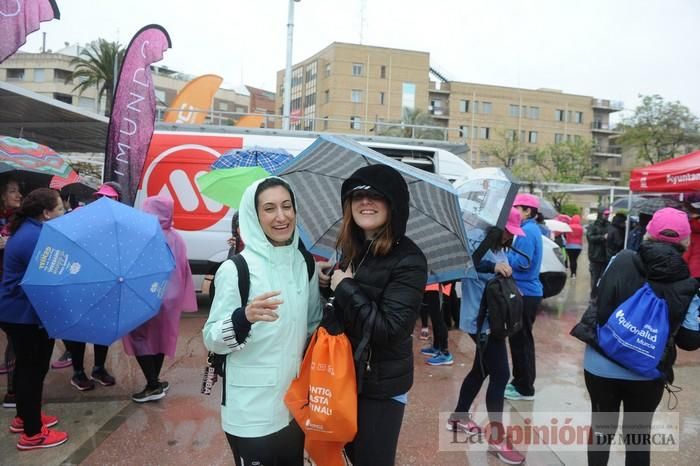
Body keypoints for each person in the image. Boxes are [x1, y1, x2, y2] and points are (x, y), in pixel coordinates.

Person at [203, 177, 321, 466]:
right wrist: (243, 318)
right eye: (269, 208)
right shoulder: (236, 269)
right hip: (250, 411)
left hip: (294, 406)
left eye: (287, 206)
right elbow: (211, 337)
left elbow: (313, 325)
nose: (281, 216)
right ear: (254, 217)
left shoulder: (305, 264)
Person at [571, 207, 700, 466]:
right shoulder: (689, 284)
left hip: (600, 363)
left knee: (601, 429)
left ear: (647, 234)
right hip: (646, 371)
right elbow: (689, 340)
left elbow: (601, 301)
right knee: (638, 436)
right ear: (686, 242)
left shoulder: (620, 259)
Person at [327, 165, 427, 466]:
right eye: (357, 195)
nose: (365, 202)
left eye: (376, 196)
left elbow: (389, 329)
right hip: (346, 377)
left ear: (394, 204)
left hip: (380, 388)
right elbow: (348, 314)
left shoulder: (409, 260)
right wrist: (328, 287)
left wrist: (344, 287)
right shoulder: (353, 249)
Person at [449, 208, 526, 465]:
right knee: (501, 374)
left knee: (481, 370)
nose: (509, 237)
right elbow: (468, 263)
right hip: (481, 323)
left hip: (495, 321)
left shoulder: (499, 246)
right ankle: (496, 437)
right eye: (508, 231)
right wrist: (494, 266)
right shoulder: (478, 242)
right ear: (498, 227)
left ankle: (459, 417)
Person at [0, 188, 68, 450]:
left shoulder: (31, 231)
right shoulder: (35, 238)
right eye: (60, 209)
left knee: (30, 369)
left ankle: (25, 416)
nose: (62, 213)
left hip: (21, 312)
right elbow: (50, 275)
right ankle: (33, 434)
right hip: (23, 314)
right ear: (46, 213)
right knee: (32, 370)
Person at [123, 196, 197, 402]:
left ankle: (153, 385)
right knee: (160, 337)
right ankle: (155, 379)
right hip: (170, 299)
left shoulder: (144, 237)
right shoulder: (177, 237)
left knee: (139, 338)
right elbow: (184, 270)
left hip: (146, 296)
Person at [64, 182, 122, 390]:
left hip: (106, 285)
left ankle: (99, 368)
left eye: (110, 199)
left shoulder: (119, 224)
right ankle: (78, 372)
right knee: (79, 329)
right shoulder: (79, 216)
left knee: (102, 329)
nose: (104, 202)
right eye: (100, 198)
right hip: (79, 283)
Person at [504, 193, 543, 401]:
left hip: (525, 292)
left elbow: (522, 262)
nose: (514, 212)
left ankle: (524, 387)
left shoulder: (528, 231)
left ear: (528, 211)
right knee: (520, 340)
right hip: (525, 291)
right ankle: (520, 381)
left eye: (517, 208)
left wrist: (504, 256)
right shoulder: (529, 229)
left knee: (521, 341)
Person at [0, 177, 21, 409]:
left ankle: (13, 391)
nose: (18, 195)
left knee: (14, 338)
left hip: (9, 284)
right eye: (13, 191)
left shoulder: (17, 220)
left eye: (18, 191)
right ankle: (13, 393)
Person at [419, 282, 454, 365]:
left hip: (438, 286)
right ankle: (436, 347)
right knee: (435, 318)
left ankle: (445, 353)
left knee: (438, 319)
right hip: (432, 286)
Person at [586, 207, 610, 299]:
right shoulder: (593, 225)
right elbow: (590, 238)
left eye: (608, 214)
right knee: (595, 278)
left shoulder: (609, 225)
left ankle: (600, 297)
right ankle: (593, 296)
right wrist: (603, 237)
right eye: (605, 214)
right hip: (595, 257)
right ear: (600, 214)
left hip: (606, 256)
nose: (607, 216)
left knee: (604, 278)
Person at [565, 214, 583, 279]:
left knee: (571, 260)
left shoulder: (569, 227)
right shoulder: (581, 228)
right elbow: (581, 236)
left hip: (569, 246)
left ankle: (572, 274)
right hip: (578, 246)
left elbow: (566, 236)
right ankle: (574, 274)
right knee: (575, 260)